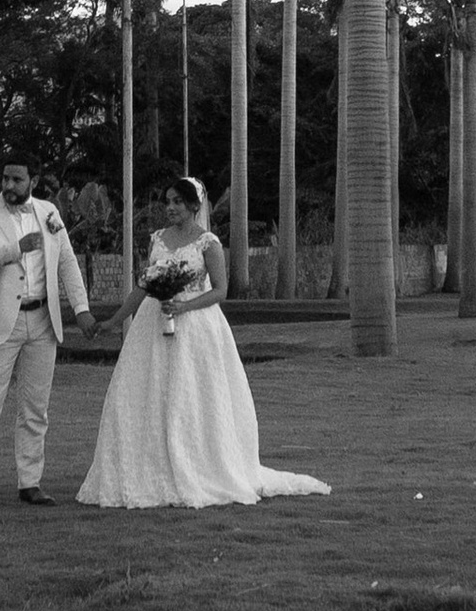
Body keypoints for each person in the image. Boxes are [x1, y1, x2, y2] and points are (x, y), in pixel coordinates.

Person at [78, 172, 331, 508]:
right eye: (168, 202)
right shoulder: (158, 239)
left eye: (178, 202)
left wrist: (184, 306)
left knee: (191, 394)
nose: (170, 208)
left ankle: (198, 464)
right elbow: (144, 285)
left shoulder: (208, 243)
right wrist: (114, 320)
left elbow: (221, 290)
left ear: (194, 206)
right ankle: (150, 464)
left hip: (196, 325)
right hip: (153, 323)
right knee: (146, 391)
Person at [0, 154, 93, 506]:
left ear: (34, 180)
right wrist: (15, 249)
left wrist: (81, 309)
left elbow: (67, 262)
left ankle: (30, 483)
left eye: (17, 179)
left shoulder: (49, 212)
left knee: (35, 408)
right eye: (5, 178)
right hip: (0, 321)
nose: (9, 186)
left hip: (43, 321)